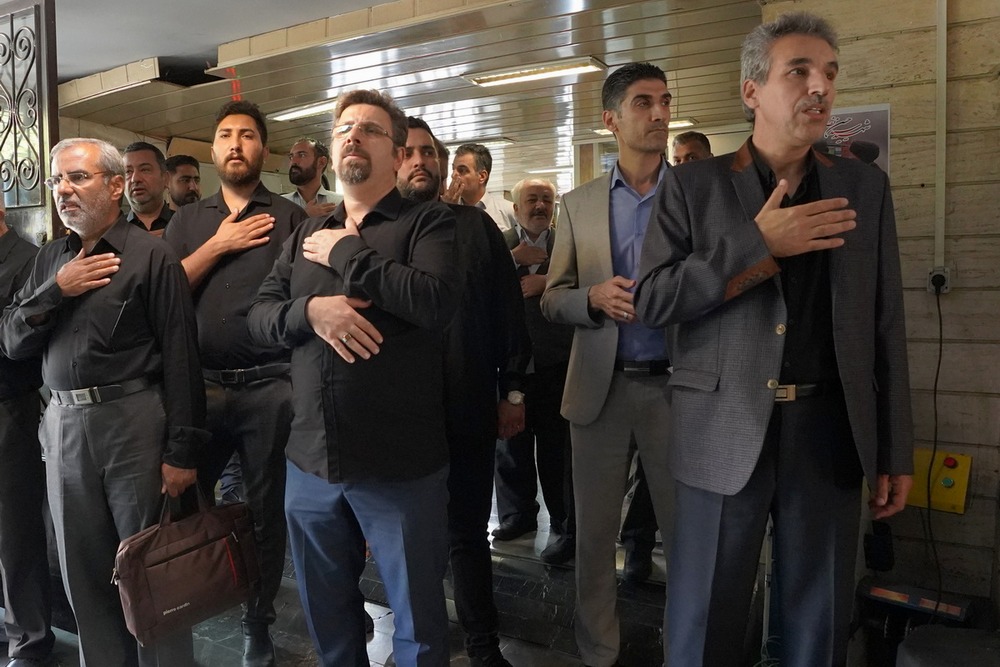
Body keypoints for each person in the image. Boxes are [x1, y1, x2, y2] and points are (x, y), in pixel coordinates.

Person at [635, 12, 914, 666]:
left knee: (819, 629)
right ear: (752, 90)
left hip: (829, 431)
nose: (821, 87)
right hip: (721, 427)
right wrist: (756, 243)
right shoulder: (693, 186)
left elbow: (887, 323)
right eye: (800, 71)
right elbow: (653, 300)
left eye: (830, 74)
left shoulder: (864, 187)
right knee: (703, 623)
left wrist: (895, 446)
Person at [247, 89, 458, 667]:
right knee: (328, 616)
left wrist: (347, 254)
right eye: (343, 129)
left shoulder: (427, 223)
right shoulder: (302, 236)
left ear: (397, 154)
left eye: (370, 129)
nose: (353, 136)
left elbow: (435, 302)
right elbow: (259, 318)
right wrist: (311, 312)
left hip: (398, 464)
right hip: (311, 461)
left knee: (418, 623)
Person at [0, 138, 206, 666]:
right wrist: (56, 290)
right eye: (57, 180)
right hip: (63, 426)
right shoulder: (51, 258)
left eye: (78, 178)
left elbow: (182, 356)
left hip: (133, 423)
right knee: (82, 572)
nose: (63, 190)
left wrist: (182, 452)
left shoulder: (151, 255)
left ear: (116, 186)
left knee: (148, 572)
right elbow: (12, 342)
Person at [540, 62, 675, 667]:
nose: (659, 113)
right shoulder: (580, 204)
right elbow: (551, 297)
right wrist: (591, 298)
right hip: (600, 387)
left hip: (678, 386)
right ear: (611, 120)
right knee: (594, 536)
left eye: (665, 101)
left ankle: (687, 646)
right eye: (644, 102)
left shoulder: (693, 194)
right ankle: (598, 649)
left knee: (686, 534)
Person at [164, 100, 306, 667]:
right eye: (225, 135)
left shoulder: (290, 218)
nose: (235, 144)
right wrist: (218, 245)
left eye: (247, 135)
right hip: (199, 389)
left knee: (266, 512)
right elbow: (166, 293)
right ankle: (186, 605)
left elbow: (301, 301)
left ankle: (257, 622)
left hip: (270, 388)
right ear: (214, 149)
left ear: (263, 149)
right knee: (183, 506)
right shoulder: (187, 221)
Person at [398, 115, 529, 667]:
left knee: (469, 533)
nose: (419, 161)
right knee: (409, 540)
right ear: (391, 160)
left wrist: (513, 392)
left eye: (429, 152)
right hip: (401, 417)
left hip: (469, 405)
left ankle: (482, 644)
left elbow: (507, 312)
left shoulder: (474, 229)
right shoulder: (376, 232)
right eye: (408, 151)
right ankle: (420, 644)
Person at [493, 177, 577, 566]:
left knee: (559, 450)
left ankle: (563, 524)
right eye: (531, 199)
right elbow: (479, 286)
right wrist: (513, 261)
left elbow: (589, 283)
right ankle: (517, 515)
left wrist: (548, 281)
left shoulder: (570, 244)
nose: (540, 205)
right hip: (511, 362)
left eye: (546, 199)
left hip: (558, 361)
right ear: (515, 207)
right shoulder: (498, 244)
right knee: (511, 444)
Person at [0, 207, 54, 667]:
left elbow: (21, 343)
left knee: (14, 530)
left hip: (9, 407)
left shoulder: (28, 260)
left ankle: (30, 639)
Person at [447, 143, 517, 231]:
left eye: (462, 170)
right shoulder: (448, 211)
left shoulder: (508, 211)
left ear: (482, 176)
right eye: (453, 169)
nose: (453, 175)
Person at [283, 137, 343, 217]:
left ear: (321, 162)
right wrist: (306, 216)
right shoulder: (280, 204)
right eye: (291, 156)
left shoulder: (340, 204)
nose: (293, 162)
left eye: (302, 155)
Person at [123, 141, 172, 236]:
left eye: (145, 170)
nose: (135, 179)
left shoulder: (185, 226)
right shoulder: (112, 233)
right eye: (128, 172)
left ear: (165, 179)